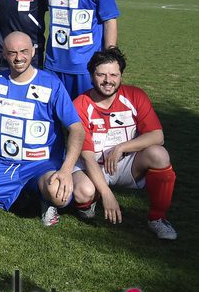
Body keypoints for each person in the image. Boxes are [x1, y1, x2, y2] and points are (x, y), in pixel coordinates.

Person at [0, 32, 85, 226]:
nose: (18, 58)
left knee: (58, 194)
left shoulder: (51, 84)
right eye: (12, 53)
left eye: (24, 51)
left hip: (43, 164)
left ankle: (42, 197)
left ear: (33, 51)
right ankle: (22, 195)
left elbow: (76, 129)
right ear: (4, 54)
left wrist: (66, 170)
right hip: (7, 163)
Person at [70, 48, 177, 239]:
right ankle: (88, 204)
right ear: (92, 76)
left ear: (121, 76)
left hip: (125, 163)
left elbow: (157, 136)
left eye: (113, 74)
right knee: (83, 192)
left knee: (159, 154)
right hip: (91, 165)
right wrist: (107, 194)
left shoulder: (135, 96)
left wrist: (121, 148)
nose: (107, 80)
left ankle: (157, 219)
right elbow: (87, 157)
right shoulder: (80, 104)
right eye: (101, 74)